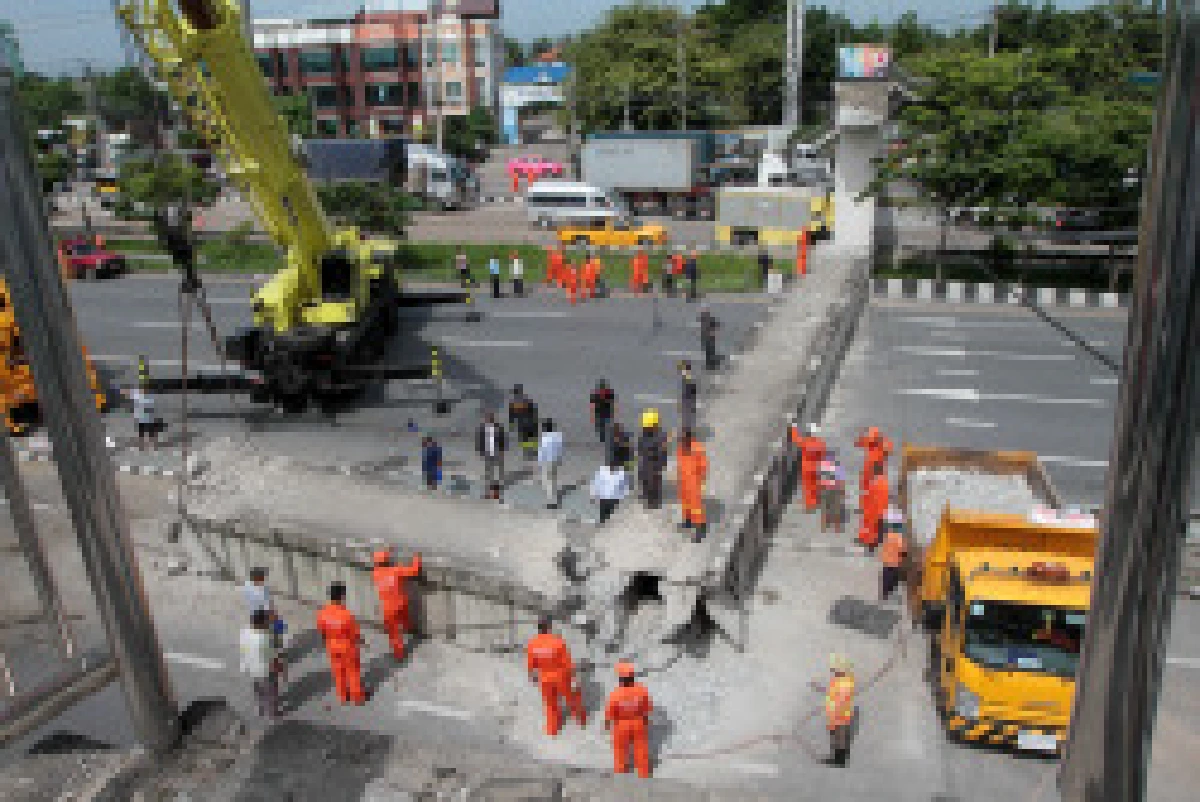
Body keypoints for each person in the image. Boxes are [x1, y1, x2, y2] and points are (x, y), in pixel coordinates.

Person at [526, 617, 586, 736]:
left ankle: (552, 729)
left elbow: (531, 665)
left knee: (550, 704)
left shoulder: (532, 644)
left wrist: (532, 676)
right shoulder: (558, 641)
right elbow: (567, 663)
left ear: (538, 628)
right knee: (572, 698)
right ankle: (580, 720)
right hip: (561, 677)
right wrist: (574, 678)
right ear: (549, 627)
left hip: (544, 678)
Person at [316, 582, 365, 705]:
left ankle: (343, 697)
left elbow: (322, 632)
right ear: (342, 596)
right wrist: (361, 641)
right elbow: (355, 634)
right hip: (348, 647)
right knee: (353, 672)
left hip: (332, 647)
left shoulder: (322, 613)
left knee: (338, 672)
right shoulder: (346, 615)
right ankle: (357, 698)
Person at [372, 549, 422, 660]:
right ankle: (412, 630)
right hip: (401, 602)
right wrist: (417, 558)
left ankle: (399, 654)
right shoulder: (396, 570)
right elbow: (414, 571)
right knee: (405, 619)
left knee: (394, 634)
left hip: (388, 609)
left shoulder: (375, 574)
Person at [605, 661, 653, 778]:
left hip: (621, 725)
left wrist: (607, 725)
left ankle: (621, 773)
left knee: (620, 750)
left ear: (621, 679)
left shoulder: (615, 694)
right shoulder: (642, 691)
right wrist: (645, 720)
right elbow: (647, 709)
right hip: (638, 722)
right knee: (641, 748)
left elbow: (610, 713)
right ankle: (644, 773)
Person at [240, 608, 282, 719]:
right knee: (272, 690)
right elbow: (272, 657)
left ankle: (260, 707)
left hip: (251, 668)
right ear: (262, 623)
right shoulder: (264, 638)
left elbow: (243, 650)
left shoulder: (245, 632)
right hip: (265, 670)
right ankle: (272, 713)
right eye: (266, 620)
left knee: (258, 689)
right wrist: (279, 668)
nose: (268, 621)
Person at [676, 428, 708, 542]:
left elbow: (703, 466)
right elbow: (680, 464)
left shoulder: (697, 448)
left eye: (683, 437)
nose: (681, 440)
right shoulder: (681, 448)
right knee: (685, 501)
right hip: (684, 480)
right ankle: (688, 520)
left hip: (694, 481)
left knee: (696, 505)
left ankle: (700, 527)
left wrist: (700, 480)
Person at [824, 655, 856, 766]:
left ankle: (839, 760)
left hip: (840, 716)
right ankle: (837, 758)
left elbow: (841, 700)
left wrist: (834, 712)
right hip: (836, 716)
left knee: (840, 738)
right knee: (836, 737)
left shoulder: (845, 682)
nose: (833, 671)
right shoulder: (840, 681)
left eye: (835, 669)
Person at [637, 409, 670, 510]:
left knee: (653, 482)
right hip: (648, 462)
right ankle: (648, 497)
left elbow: (661, 451)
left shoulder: (658, 437)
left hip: (653, 462)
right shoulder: (648, 435)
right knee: (646, 480)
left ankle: (654, 501)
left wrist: (661, 462)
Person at [790, 423, 826, 511]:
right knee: (815, 485)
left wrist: (793, 428)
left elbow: (796, 440)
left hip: (806, 468)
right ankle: (816, 501)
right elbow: (823, 455)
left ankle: (810, 505)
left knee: (808, 487)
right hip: (815, 467)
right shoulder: (821, 444)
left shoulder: (805, 442)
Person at [855, 426, 893, 509]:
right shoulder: (871, 442)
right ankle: (868, 506)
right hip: (871, 469)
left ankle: (875, 506)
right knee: (868, 488)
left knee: (874, 489)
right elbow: (858, 442)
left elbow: (889, 449)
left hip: (876, 469)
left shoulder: (882, 444)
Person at [858, 461, 889, 551]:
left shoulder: (874, 483)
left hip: (874, 510)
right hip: (883, 510)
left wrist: (863, 507)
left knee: (873, 529)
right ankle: (880, 545)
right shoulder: (884, 482)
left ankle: (872, 546)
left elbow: (868, 497)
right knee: (880, 529)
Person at [878, 506, 907, 602]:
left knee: (886, 579)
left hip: (886, 561)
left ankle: (884, 594)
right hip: (895, 563)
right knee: (893, 580)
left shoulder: (887, 535)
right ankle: (891, 594)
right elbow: (902, 549)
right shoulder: (898, 537)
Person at [475, 411, 507, 493]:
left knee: (499, 469)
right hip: (487, 451)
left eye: (490, 418)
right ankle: (489, 484)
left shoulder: (498, 427)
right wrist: (480, 451)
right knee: (489, 469)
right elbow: (479, 440)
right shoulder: (482, 429)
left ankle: (499, 484)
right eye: (488, 418)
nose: (489, 419)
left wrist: (502, 450)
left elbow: (502, 439)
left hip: (496, 450)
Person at [591, 458, 630, 524]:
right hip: (603, 497)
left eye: (614, 465)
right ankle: (602, 523)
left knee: (611, 512)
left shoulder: (621, 473)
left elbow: (624, 485)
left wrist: (622, 496)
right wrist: (594, 494)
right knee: (603, 512)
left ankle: (607, 523)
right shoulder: (602, 471)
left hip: (614, 498)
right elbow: (596, 483)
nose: (612, 467)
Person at [507, 384, 540, 462]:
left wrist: (512, 425)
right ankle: (534, 452)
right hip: (530, 422)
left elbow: (512, 416)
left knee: (524, 439)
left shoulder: (513, 404)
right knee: (532, 438)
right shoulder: (526, 400)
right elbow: (534, 411)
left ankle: (528, 452)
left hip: (521, 424)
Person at [538, 417, 564, 508]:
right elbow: (560, 449)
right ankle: (554, 499)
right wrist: (560, 459)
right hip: (555, 461)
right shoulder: (558, 435)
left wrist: (539, 463)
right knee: (553, 480)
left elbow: (542, 451)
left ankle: (552, 502)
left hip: (547, 462)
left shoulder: (544, 437)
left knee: (547, 481)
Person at [128, 382, 161, 451]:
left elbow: (152, 407)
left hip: (149, 418)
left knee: (151, 433)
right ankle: (143, 446)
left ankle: (153, 445)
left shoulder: (149, 397)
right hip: (142, 419)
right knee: (142, 434)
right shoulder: (138, 395)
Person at [817, 456, 846, 533]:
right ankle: (835, 527)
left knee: (826, 508)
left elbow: (819, 479)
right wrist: (842, 491)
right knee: (835, 508)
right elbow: (842, 481)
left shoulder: (823, 466)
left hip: (828, 489)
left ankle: (826, 526)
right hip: (832, 489)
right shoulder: (838, 467)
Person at [589, 379, 616, 445]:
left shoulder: (597, 393)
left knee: (601, 426)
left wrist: (592, 413)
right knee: (605, 425)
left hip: (599, 412)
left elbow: (592, 404)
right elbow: (612, 403)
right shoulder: (608, 393)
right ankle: (605, 438)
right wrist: (612, 412)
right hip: (606, 412)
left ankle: (603, 438)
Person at [699, 305, 720, 371]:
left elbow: (716, 325)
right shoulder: (705, 320)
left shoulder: (707, 319)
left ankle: (711, 364)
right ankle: (710, 365)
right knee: (709, 352)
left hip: (709, 337)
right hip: (708, 337)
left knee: (710, 351)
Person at [679, 361, 698, 433]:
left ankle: (688, 431)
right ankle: (688, 430)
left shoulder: (689, 379)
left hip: (688, 400)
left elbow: (691, 392)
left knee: (687, 415)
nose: (682, 372)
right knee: (687, 416)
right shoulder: (687, 378)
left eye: (683, 370)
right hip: (688, 399)